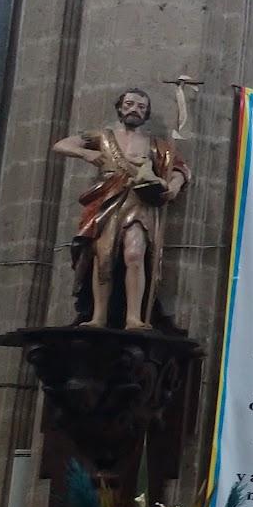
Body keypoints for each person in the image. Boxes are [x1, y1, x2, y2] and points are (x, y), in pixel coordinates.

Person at [53, 88, 190, 329]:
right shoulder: (103, 136)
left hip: (139, 201)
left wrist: (175, 185)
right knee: (103, 257)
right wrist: (85, 153)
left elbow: (180, 168)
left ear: (146, 113)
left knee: (135, 254)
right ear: (120, 108)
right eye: (129, 104)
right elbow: (61, 145)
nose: (134, 109)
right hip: (107, 200)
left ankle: (133, 317)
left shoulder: (156, 145)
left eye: (141, 106)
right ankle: (99, 317)